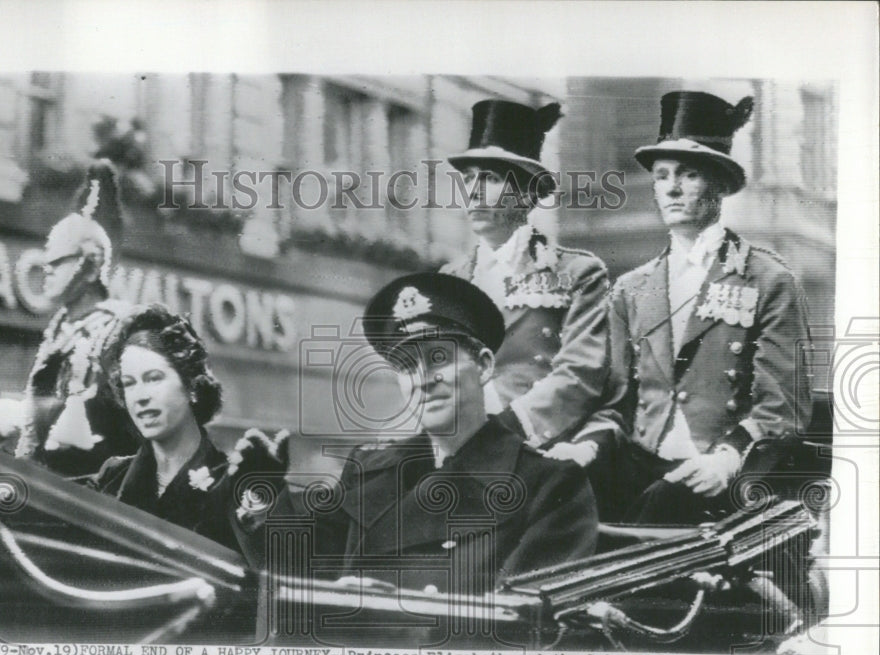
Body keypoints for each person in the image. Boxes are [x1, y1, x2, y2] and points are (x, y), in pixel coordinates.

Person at [306, 272, 598, 597]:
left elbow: (525, 622)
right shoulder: (367, 470)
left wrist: (397, 610)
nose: (422, 379)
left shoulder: (548, 485)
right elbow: (299, 573)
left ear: (485, 366)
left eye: (438, 358)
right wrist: (255, 499)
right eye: (405, 366)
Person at [609, 91, 813, 524]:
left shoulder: (767, 279)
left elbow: (785, 405)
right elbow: (613, 397)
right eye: (663, 176)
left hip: (726, 481)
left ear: (719, 183)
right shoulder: (631, 288)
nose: (673, 188)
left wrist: (728, 457)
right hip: (640, 470)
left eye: (689, 174)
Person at [441, 99, 620, 473]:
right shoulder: (450, 280)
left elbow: (580, 374)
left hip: (535, 447)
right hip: (456, 448)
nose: (472, 191)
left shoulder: (578, 272)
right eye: (468, 177)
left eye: (489, 179)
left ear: (526, 193)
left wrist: (507, 428)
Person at [89, 304, 287, 570]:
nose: (140, 396)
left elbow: (272, 576)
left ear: (192, 385)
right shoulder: (112, 477)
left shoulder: (235, 483)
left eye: (153, 378)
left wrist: (265, 505)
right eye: (129, 383)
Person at [0, 160, 138, 477]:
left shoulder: (116, 327)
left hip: (92, 485)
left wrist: (27, 412)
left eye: (58, 259)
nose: (47, 267)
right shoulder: (60, 327)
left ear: (91, 266)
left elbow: (109, 413)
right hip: (46, 478)